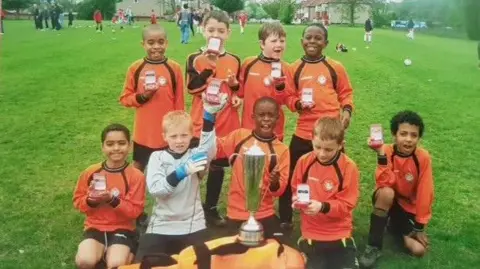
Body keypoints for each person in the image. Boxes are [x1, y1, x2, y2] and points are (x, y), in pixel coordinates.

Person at [134, 94, 228, 261]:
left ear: (192, 134)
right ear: (164, 136)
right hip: (161, 224)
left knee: (201, 264)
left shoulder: (195, 154)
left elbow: (209, 150)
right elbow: (157, 190)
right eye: (174, 136)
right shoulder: (157, 156)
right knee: (146, 263)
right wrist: (182, 171)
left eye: (184, 136)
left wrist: (208, 116)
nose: (179, 141)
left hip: (192, 223)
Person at [278, 23, 354, 230]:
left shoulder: (335, 67)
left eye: (317, 38)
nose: (312, 41)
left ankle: (336, 212)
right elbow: (288, 97)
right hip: (305, 132)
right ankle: (285, 218)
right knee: (291, 174)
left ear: (326, 43)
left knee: (338, 174)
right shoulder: (295, 68)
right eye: (308, 37)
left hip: (331, 134)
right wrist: (298, 104)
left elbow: (346, 92)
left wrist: (346, 111)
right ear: (302, 41)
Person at [185, 10, 242, 227]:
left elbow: (238, 88)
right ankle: (189, 208)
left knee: (217, 167)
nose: (215, 34)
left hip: (226, 123)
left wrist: (236, 95)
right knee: (197, 167)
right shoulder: (194, 58)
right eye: (211, 30)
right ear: (202, 30)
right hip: (201, 123)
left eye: (221, 30)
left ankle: (210, 208)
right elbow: (192, 88)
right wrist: (209, 65)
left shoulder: (235, 60)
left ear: (228, 33)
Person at [359, 111, 434, 268]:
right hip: (387, 199)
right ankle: (373, 247)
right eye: (403, 134)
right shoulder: (386, 150)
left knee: (419, 250)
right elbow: (384, 182)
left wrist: (419, 226)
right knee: (387, 192)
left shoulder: (423, 158)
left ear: (419, 138)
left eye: (414, 135)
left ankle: (394, 226)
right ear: (394, 134)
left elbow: (425, 191)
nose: (408, 139)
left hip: (407, 209)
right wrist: (380, 153)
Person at [216, 97, 290, 242]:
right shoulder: (239, 136)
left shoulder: (282, 150)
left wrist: (274, 182)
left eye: (271, 115)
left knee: (277, 254)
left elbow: (279, 191)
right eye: (261, 115)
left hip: (265, 213)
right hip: (236, 213)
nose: (266, 119)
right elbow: (216, 150)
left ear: (278, 118)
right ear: (253, 117)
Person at [73, 124, 146, 269]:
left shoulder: (136, 176)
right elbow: (77, 201)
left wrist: (112, 200)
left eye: (121, 143)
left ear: (130, 146)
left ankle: (127, 251)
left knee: (116, 264)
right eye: (110, 144)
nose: (116, 148)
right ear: (103, 147)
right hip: (95, 227)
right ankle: (103, 254)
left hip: (123, 228)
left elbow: (135, 211)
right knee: (85, 261)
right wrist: (90, 201)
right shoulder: (90, 172)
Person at [292, 117, 360, 269]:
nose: (322, 154)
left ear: (341, 145)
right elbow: (296, 188)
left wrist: (322, 207)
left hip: (339, 230)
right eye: (317, 147)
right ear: (312, 140)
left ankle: (349, 246)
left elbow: (347, 205)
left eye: (328, 149)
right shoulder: (304, 162)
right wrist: (297, 199)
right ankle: (305, 243)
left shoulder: (349, 167)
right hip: (312, 230)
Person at [119, 25, 185, 173]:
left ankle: (165, 196)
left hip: (167, 133)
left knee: (167, 169)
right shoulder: (135, 68)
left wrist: (178, 128)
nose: (156, 47)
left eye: (161, 42)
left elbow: (179, 102)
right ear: (143, 44)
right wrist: (143, 96)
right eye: (151, 42)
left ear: (166, 43)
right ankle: (136, 195)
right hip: (144, 133)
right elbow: (125, 98)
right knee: (138, 167)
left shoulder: (174, 68)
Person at [238, 22, 295, 142]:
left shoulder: (286, 68)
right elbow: (240, 93)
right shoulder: (249, 64)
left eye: (282, 41)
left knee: (273, 160)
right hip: (249, 128)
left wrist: (279, 87)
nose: (279, 44)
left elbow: (288, 99)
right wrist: (233, 86)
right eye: (274, 41)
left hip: (274, 130)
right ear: (262, 44)